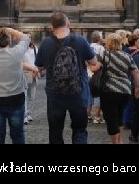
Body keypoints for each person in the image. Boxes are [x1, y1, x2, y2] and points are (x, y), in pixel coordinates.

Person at [34, 12, 100, 144]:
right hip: (78, 93)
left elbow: (39, 67)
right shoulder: (80, 40)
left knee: (55, 131)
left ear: (52, 27)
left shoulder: (46, 43)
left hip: (55, 94)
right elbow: (93, 61)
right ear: (68, 24)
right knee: (80, 130)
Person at [0, 27, 31, 144]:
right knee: (18, 136)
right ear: (9, 41)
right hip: (16, 100)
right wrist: (9, 29)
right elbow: (26, 37)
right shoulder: (17, 53)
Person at [23, 38, 39, 124]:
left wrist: (37, 71)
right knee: (24, 95)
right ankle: (24, 115)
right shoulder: (21, 49)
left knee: (32, 95)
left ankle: (29, 113)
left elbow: (38, 60)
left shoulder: (36, 48)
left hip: (34, 73)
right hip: (25, 73)